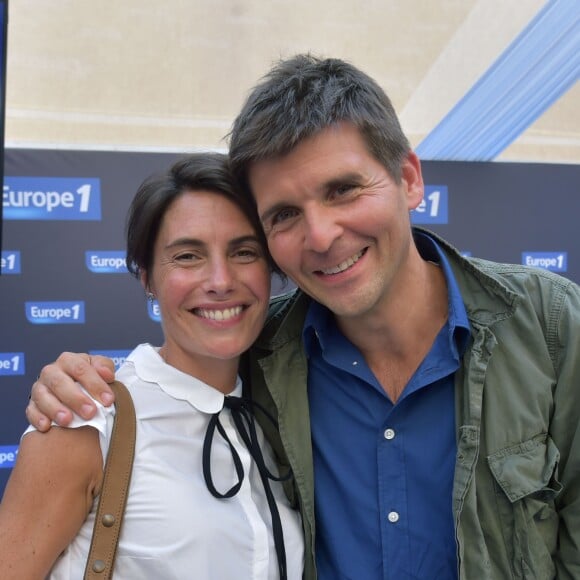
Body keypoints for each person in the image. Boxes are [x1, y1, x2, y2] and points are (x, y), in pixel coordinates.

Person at [26, 54, 580, 579]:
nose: (320, 236)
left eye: (343, 190)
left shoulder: (549, 327)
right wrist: (71, 385)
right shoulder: (258, 351)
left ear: (410, 179)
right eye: (285, 214)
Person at [0, 153, 305, 579]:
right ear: (146, 277)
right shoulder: (87, 420)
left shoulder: (278, 417)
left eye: (244, 252)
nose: (220, 280)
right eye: (187, 256)